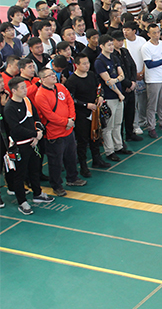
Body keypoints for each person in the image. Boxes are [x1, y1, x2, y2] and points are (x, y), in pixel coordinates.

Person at [4, 77, 55, 215]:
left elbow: (36, 118)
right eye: (22, 88)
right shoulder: (9, 108)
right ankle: (22, 202)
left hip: (33, 142)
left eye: (25, 87)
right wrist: (34, 134)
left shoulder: (27, 101)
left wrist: (38, 132)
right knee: (20, 175)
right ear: (14, 90)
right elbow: (15, 129)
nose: (25, 90)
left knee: (35, 169)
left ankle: (38, 193)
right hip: (20, 145)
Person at [36, 67, 87, 196]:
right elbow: (49, 115)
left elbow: (70, 102)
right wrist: (66, 122)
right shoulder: (40, 95)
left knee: (71, 157)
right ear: (42, 80)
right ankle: (56, 185)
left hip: (68, 131)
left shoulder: (60, 87)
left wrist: (71, 119)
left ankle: (72, 178)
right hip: (54, 134)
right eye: (49, 75)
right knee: (55, 162)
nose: (53, 76)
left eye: (53, 74)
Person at [65, 54, 111, 177]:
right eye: (84, 63)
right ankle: (83, 166)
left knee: (95, 136)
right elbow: (71, 99)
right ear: (77, 65)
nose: (87, 65)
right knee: (83, 141)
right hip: (81, 115)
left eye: (88, 63)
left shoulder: (91, 75)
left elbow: (99, 87)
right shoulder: (72, 81)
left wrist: (100, 96)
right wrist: (86, 105)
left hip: (94, 112)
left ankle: (97, 160)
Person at [141, 24, 162, 139]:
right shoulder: (146, 47)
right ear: (148, 34)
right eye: (154, 33)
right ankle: (151, 127)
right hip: (153, 79)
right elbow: (149, 64)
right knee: (152, 105)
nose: (157, 35)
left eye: (158, 32)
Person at [123, 21, 148, 134]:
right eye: (124, 30)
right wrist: (134, 76)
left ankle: (143, 119)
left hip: (143, 74)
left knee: (144, 100)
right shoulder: (123, 43)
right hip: (132, 77)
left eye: (128, 30)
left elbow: (146, 56)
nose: (125, 32)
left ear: (134, 31)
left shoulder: (142, 40)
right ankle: (135, 124)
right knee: (134, 102)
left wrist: (143, 71)